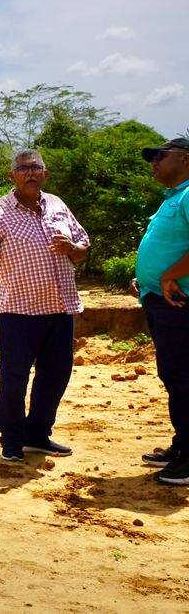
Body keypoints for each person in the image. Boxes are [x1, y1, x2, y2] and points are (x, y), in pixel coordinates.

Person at [0, 150, 89, 462]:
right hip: (20, 311)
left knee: (56, 374)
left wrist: (73, 248)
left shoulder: (59, 205)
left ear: (45, 174)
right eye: (23, 168)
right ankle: (12, 439)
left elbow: (83, 247)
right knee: (15, 377)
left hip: (60, 308)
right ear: (13, 176)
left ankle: (38, 434)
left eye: (36, 167)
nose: (30, 172)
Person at [135, 137, 189, 485]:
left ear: (185, 159)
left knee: (183, 378)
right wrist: (147, 277)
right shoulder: (174, 197)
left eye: (161, 156)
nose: (154, 161)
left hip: (179, 302)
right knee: (174, 377)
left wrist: (168, 274)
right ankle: (182, 445)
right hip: (159, 299)